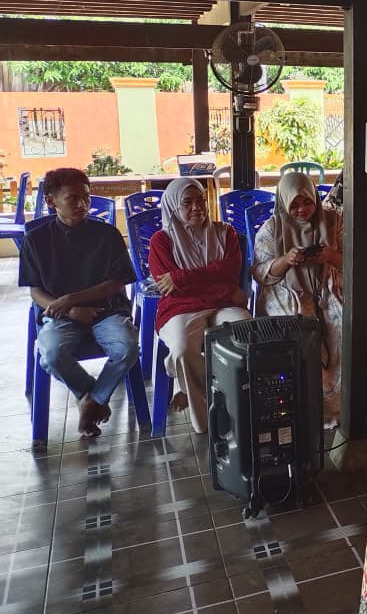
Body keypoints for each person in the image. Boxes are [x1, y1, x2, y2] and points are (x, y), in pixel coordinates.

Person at [19, 167, 140, 438]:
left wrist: (72, 299)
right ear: (51, 201)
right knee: (51, 355)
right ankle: (91, 397)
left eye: (86, 197)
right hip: (61, 315)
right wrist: (70, 310)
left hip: (107, 310)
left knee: (127, 347)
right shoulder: (36, 240)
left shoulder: (106, 234)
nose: (82, 205)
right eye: (72, 198)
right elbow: (35, 291)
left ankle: (91, 401)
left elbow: (117, 283)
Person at [149, 178, 251, 433]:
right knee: (183, 349)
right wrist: (225, 288)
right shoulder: (161, 241)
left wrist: (182, 278)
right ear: (173, 206)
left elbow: (229, 271)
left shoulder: (225, 233)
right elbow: (170, 287)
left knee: (246, 331)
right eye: (187, 202)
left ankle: (193, 385)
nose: (197, 207)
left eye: (201, 200)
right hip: (181, 308)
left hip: (222, 305)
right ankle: (211, 415)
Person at [252, 172, 345, 426]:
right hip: (286, 289)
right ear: (284, 202)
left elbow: (353, 259)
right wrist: (286, 260)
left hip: (328, 285)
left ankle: (337, 407)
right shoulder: (272, 228)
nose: (302, 210)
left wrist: (330, 256)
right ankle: (306, 410)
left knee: (343, 325)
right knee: (300, 330)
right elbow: (260, 273)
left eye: (307, 202)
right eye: (294, 204)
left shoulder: (332, 221)